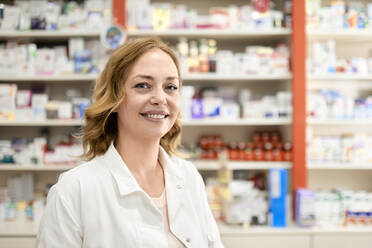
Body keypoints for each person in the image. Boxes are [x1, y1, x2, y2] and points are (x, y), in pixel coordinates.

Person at [36, 37, 224, 248]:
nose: (160, 98)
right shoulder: (73, 191)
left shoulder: (189, 177)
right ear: (114, 99)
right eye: (142, 85)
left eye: (170, 87)